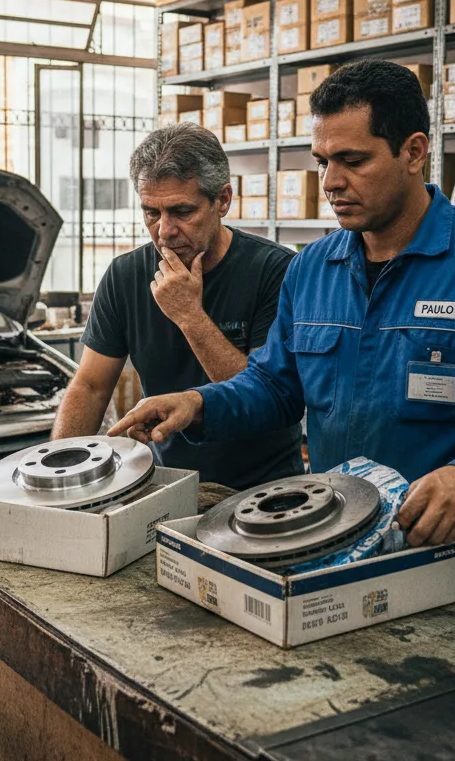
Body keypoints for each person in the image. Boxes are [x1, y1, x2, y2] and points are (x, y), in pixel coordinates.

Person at [110, 60, 455, 602]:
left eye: (352, 160)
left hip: (445, 563)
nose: (330, 182)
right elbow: (275, 386)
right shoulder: (312, 268)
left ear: (413, 152)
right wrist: (198, 405)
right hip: (326, 554)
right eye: (321, 161)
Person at [52, 121, 303, 489]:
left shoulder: (276, 271)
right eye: (151, 212)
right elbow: (90, 386)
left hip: (264, 490)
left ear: (223, 200)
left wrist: (189, 315)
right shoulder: (125, 276)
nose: (165, 231)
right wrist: (57, 470)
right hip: (166, 482)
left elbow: (263, 394)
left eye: (182, 211)